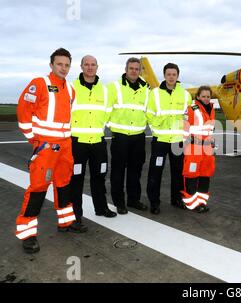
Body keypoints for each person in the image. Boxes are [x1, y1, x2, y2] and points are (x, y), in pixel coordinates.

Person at [16, 48, 78, 254]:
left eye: (67, 65)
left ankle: (65, 222)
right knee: (38, 188)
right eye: (59, 64)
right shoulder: (39, 83)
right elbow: (23, 110)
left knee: (64, 184)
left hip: (65, 145)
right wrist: (33, 138)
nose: (63, 68)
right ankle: (28, 234)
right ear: (51, 65)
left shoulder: (70, 89)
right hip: (46, 147)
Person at [69, 55, 117, 230]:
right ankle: (76, 215)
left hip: (98, 142)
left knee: (99, 176)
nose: (90, 67)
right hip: (78, 143)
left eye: (93, 65)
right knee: (76, 179)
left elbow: (109, 113)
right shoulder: (71, 87)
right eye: (86, 65)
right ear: (81, 67)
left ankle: (101, 208)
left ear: (98, 67)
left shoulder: (105, 91)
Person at [146, 63, 192, 215]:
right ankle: (154, 202)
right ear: (164, 76)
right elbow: (149, 114)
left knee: (178, 172)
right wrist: (158, 125)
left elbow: (189, 116)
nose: (171, 77)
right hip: (160, 140)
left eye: (174, 74)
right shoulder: (155, 94)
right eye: (168, 74)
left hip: (178, 141)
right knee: (155, 171)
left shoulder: (185, 95)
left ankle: (177, 199)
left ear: (177, 76)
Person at [108, 58, 149, 214]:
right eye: (131, 68)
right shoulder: (114, 87)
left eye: (136, 69)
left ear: (140, 71)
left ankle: (133, 199)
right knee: (118, 171)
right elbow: (106, 109)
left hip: (138, 136)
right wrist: (110, 127)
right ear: (126, 69)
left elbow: (149, 111)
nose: (133, 71)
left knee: (135, 170)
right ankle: (119, 202)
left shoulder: (146, 89)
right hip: (120, 136)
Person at [181, 86, 216, 213]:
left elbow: (210, 130)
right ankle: (191, 203)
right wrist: (186, 142)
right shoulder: (191, 109)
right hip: (194, 148)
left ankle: (201, 202)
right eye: (203, 96)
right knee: (191, 175)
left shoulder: (212, 110)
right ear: (198, 97)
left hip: (207, 149)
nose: (206, 99)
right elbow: (184, 127)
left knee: (205, 175)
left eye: (208, 96)